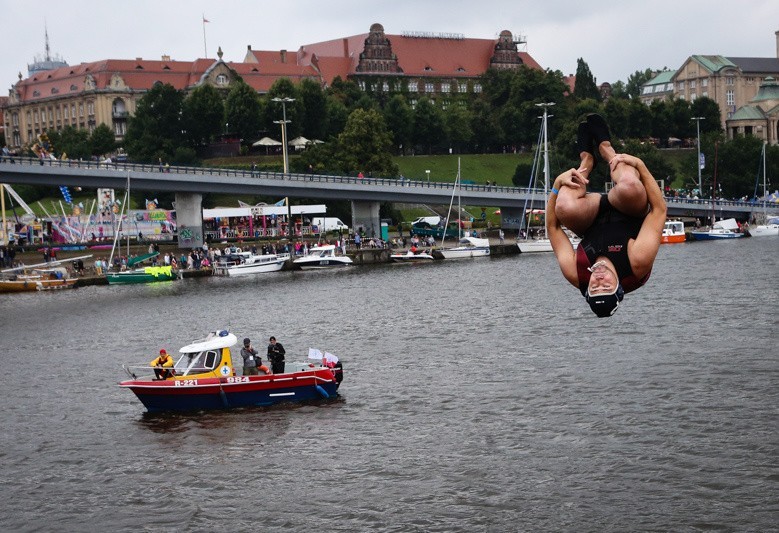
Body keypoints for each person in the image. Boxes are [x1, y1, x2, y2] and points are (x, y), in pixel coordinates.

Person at [546, 114, 666, 318]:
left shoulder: (576, 272)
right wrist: (640, 165)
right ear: (618, 287)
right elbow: (659, 210)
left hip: (591, 217)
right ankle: (607, 151)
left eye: (594, 288)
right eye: (606, 287)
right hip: (628, 209)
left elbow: (553, 228)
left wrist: (557, 184)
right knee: (629, 185)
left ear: (587, 290)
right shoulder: (637, 262)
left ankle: (587, 160)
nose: (599, 281)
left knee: (563, 206)